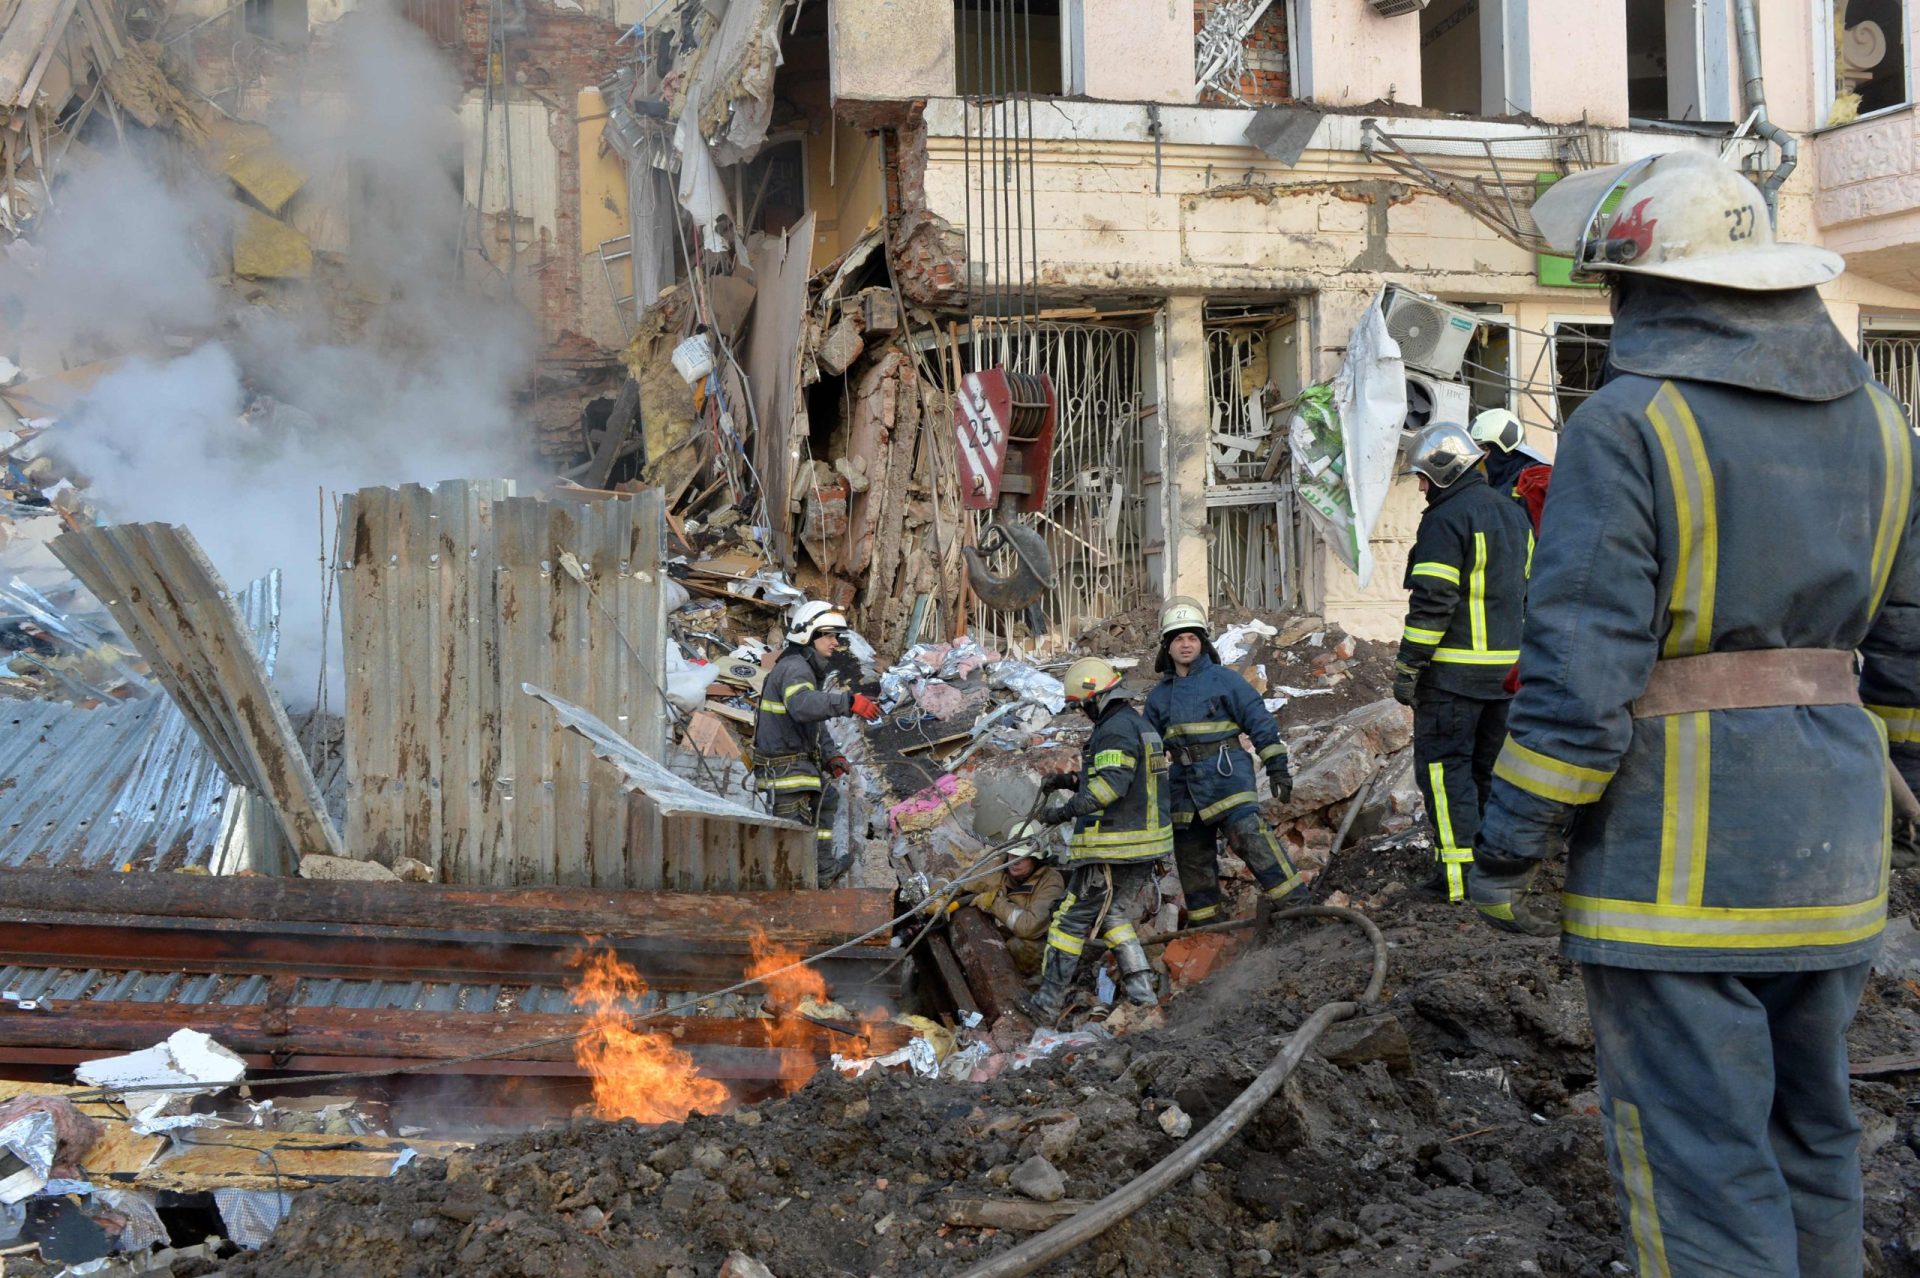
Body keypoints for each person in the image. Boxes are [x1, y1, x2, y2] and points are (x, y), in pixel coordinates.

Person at [1471, 149, 1920, 1278]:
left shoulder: (1629, 422)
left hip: (1677, 867)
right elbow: (1910, 661)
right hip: (1836, 856)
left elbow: (1582, 668)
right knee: (1812, 1133)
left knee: (1697, 1165)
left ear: (1653, 289)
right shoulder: (1885, 422)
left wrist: (1510, 845)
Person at [1392, 421, 1534, 902]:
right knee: (1487, 775)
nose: (1420, 487)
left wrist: (1410, 665)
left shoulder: (1446, 519)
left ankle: (1457, 883)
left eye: (1423, 478)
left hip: (1453, 678)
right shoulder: (1514, 515)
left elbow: (1433, 600)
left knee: (1444, 773)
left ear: (1444, 472)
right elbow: (1531, 593)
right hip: (1507, 677)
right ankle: (1492, 879)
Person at [1028, 656, 1174, 1023]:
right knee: (1113, 916)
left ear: (1095, 698)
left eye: (1082, 706)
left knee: (1069, 921)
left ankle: (1046, 1005)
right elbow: (1123, 777)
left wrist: (1062, 811)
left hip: (1115, 846)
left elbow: (1110, 788)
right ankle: (1142, 996)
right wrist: (1069, 782)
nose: (1083, 713)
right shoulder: (1134, 725)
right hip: (1141, 844)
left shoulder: (1115, 730)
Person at [1143, 595, 1301, 923]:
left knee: (1249, 836)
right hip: (1184, 787)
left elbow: (1259, 720)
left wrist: (1277, 766)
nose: (1185, 645)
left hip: (1226, 774)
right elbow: (1149, 752)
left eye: (1192, 638)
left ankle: (1299, 908)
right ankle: (1207, 930)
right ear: (1167, 646)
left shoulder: (1225, 680)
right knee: (1191, 857)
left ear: (1202, 643)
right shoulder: (1158, 698)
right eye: (1178, 639)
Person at [753, 600, 881, 882]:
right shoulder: (795, 668)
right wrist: (847, 701)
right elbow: (802, 706)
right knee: (792, 839)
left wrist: (829, 755)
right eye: (829, 635)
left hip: (797, 766)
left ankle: (822, 869)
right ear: (807, 635)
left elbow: (812, 722)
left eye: (837, 636)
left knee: (829, 799)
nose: (835, 642)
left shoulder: (805, 669)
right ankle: (795, 890)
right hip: (785, 771)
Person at [964, 821, 1067, 974]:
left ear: (1036, 859)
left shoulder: (1051, 882)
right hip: (1000, 936)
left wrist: (994, 903)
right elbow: (955, 877)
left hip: (1039, 946)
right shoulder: (998, 868)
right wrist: (937, 895)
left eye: (1022, 856)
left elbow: (1029, 927)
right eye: (1012, 853)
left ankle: (1027, 982)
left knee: (1020, 946)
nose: (1014, 861)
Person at [1470, 407, 1552, 518]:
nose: (1480, 458)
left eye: (1484, 449)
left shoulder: (1536, 479)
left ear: (1503, 449)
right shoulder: (1501, 482)